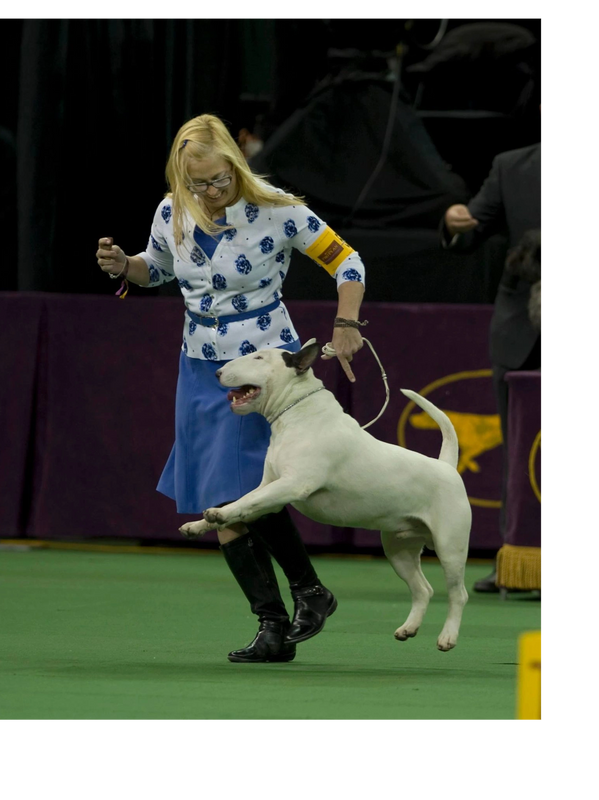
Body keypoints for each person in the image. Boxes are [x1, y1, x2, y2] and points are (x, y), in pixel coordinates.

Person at [96, 114, 366, 661]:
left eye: (220, 180)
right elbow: (159, 269)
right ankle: (272, 625)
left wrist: (347, 322)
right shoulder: (172, 209)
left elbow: (347, 260)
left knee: (239, 492)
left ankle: (311, 592)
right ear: (181, 175)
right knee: (217, 500)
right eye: (199, 184)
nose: (211, 193)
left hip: (265, 372)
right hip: (198, 367)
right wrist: (127, 264)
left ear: (236, 166)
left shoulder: (277, 210)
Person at [440, 110, 544, 592]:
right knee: (519, 450)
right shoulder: (510, 166)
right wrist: (455, 222)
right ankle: (518, 562)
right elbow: (469, 232)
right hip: (521, 327)